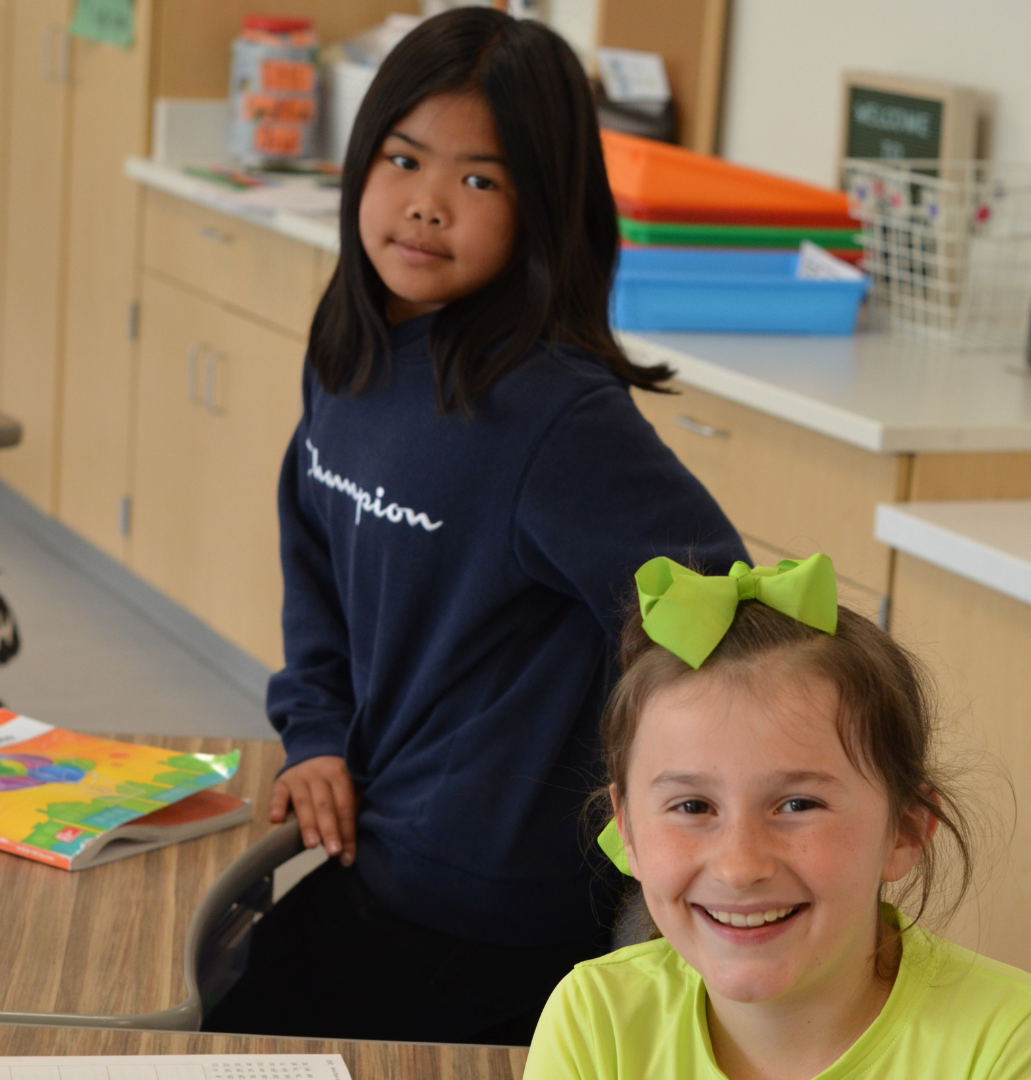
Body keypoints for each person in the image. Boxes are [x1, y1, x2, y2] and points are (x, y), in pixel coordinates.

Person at [203, 8, 746, 1045]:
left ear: (543, 209)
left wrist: (663, 832)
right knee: (209, 1013)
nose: (427, 206)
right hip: (379, 852)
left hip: (500, 913)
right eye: (404, 159)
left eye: (481, 180)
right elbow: (312, 553)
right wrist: (315, 731)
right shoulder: (349, 354)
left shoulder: (554, 415)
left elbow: (721, 615)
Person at [525, 554, 1031, 1079]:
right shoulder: (596, 1019)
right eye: (693, 807)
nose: (739, 867)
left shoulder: (1007, 1046)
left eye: (798, 805)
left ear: (903, 830)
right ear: (627, 830)